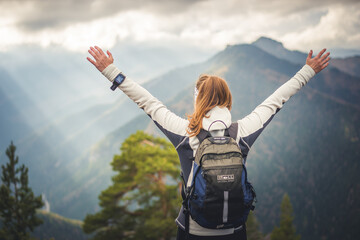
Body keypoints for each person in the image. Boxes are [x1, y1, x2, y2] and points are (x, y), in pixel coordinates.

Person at [87, 46, 330, 240]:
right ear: (227, 99)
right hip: (235, 231)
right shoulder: (242, 132)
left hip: (193, 231)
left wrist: (112, 72)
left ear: (198, 100)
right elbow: (276, 101)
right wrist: (307, 71)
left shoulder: (184, 133)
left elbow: (149, 103)